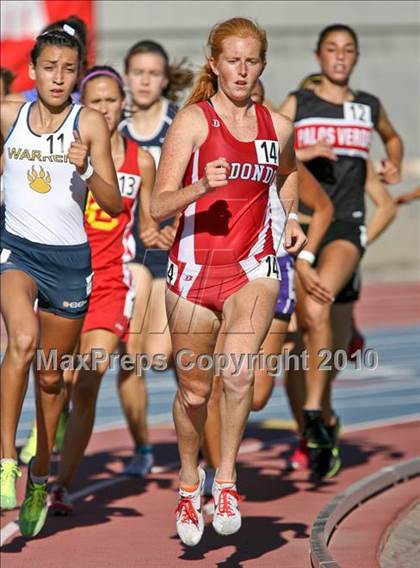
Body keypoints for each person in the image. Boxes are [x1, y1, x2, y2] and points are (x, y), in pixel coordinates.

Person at [150, 17, 306, 546]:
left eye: (252, 60)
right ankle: (189, 482)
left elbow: (288, 174)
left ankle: (228, 481)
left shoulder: (277, 126)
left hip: (254, 268)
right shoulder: (194, 122)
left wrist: (294, 217)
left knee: (238, 376)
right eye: (233, 60)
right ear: (214, 64)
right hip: (194, 270)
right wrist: (199, 186)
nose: (242, 70)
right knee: (195, 392)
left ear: (262, 65)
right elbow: (156, 203)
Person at [0, 26, 122, 538]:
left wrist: (89, 169)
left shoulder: (89, 122)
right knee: (22, 342)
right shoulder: (8, 114)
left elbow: (114, 205)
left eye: (69, 69)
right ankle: (6, 458)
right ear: (33, 69)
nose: (58, 77)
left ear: (78, 74)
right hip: (17, 251)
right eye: (49, 67)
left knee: (53, 380)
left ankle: (40, 475)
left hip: (70, 262)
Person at [279, 23, 403, 475]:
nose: (340, 56)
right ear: (318, 55)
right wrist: (305, 153)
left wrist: (393, 157)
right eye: (331, 48)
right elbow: (266, 145)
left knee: (317, 309)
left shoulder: (366, 106)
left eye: (348, 49)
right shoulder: (300, 103)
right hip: (303, 225)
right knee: (301, 343)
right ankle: (315, 426)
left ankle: (315, 410)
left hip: (346, 228)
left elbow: (391, 137)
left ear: (355, 57)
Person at [200, 80, 334, 497]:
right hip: (222, 268)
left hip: (271, 270)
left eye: (257, 102)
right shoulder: (210, 143)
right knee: (219, 379)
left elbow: (323, 207)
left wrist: (305, 253)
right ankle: (220, 477)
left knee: (256, 393)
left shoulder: (277, 145)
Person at [47, 65, 156, 514]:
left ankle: (61, 485)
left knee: (87, 384)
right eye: (96, 101)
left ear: (123, 103)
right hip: (63, 279)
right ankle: (42, 453)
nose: (106, 109)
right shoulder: (61, 153)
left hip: (112, 282)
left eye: (112, 100)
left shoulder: (141, 160)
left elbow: (148, 223)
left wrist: (161, 232)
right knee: (57, 378)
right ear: (81, 105)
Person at [117, 41, 193, 476]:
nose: (144, 81)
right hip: (125, 253)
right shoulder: (114, 124)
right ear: (127, 75)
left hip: (172, 251)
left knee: (161, 356)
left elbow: (199, 183)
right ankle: (142, 448)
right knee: (130, 357)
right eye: (138, 72)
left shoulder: (179, 124)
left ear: (165, 79)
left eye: (153, 73)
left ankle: (192, 441)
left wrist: (172, 219)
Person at [5, 16, 88, 105]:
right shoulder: (12, 106)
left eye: (69, 69)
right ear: (33, 67)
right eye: (49, 67)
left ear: (81, 68)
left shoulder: (90, 105)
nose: (58, 79)